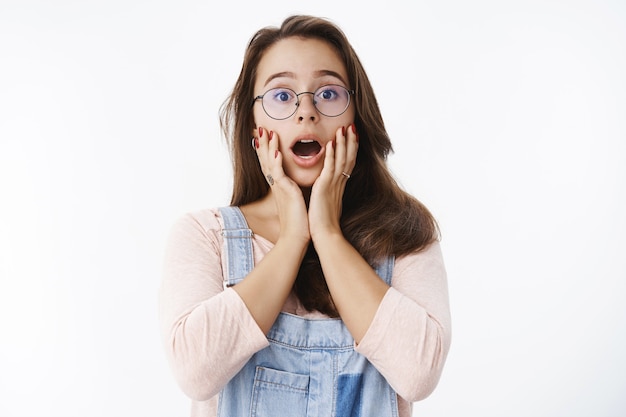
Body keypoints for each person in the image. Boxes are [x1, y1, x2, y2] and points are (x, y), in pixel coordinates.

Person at [159, 14, 451, 417]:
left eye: (328, 93)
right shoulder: (204, 236)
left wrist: (327, 233)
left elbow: (419, 374)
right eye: (282, 95)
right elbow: (196, 372)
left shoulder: (404, 236)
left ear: (355, 118)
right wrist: (294, 237)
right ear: (253, 125)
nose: (306, 111)